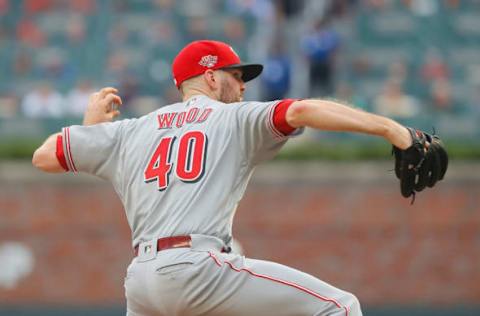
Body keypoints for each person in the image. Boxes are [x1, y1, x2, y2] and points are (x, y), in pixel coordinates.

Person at [32, 40, 416, 316]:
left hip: (142, 285)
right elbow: (301, 111)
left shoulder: (131, 131)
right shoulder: (234, 117)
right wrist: (392, 130)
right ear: (211, 77)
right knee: (340, 308)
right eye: (236, 74)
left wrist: (92, 130)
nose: (243, 84)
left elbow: (45, 156)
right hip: (197, 269)